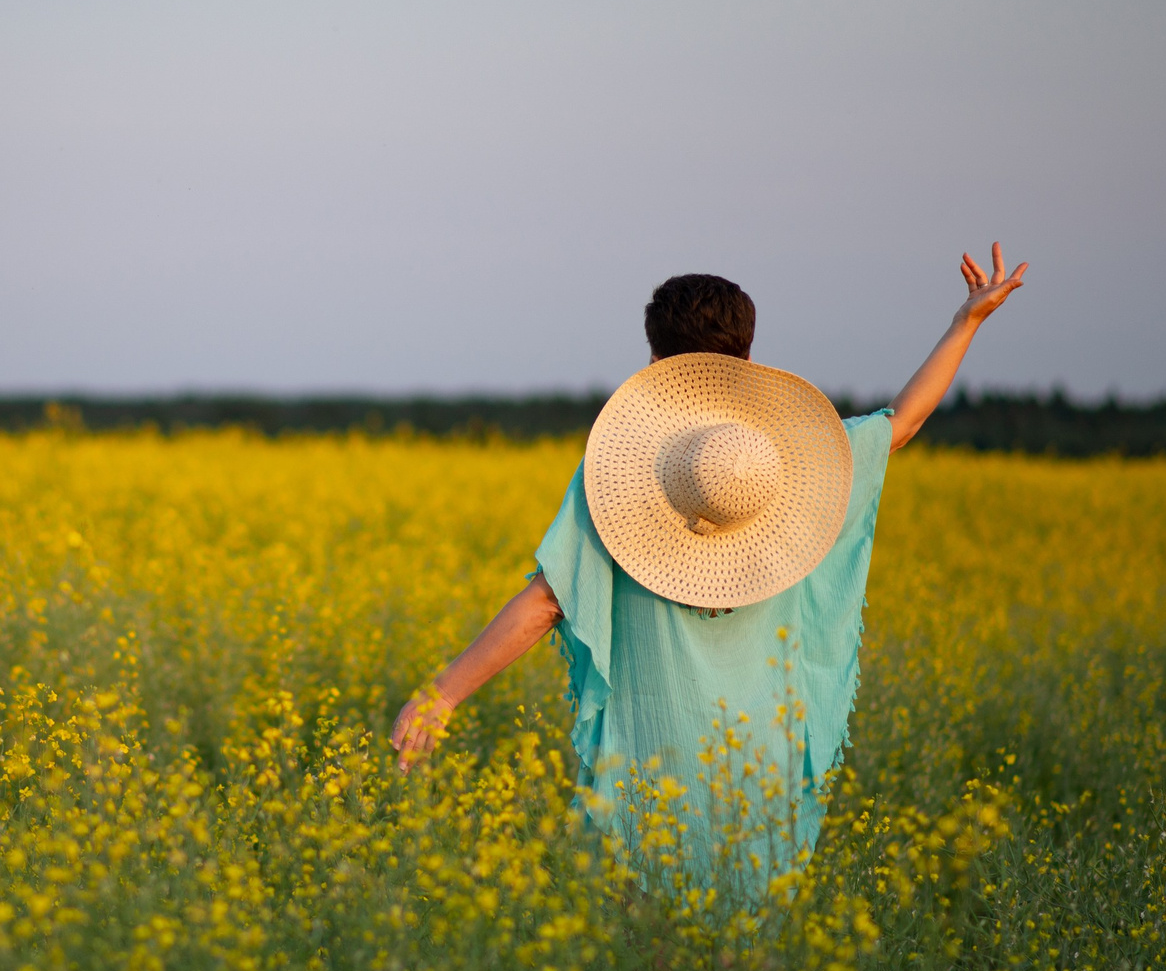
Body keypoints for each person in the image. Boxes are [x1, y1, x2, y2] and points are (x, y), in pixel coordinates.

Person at [388, 245, 1028, 884]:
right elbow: (903, 423)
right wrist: (965, 323)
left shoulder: (617, 476)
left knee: (642, 960)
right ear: (748, 356)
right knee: (742, 963)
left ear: (657, 362)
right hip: (761, 770)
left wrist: (441, 695)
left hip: (648, 766)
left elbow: (547, 604)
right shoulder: (806, 466)